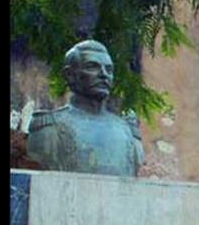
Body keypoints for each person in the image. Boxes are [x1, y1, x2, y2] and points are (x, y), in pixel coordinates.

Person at [27, 40, 145, 177]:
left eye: (109, 69)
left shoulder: (127, 131)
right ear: (70, 75)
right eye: (92, 67)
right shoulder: (50, 127)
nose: (104, 74)